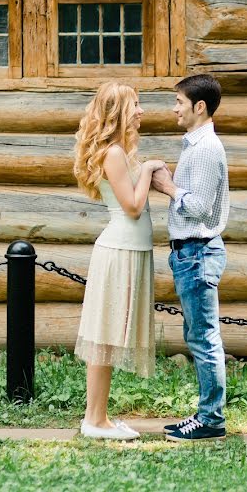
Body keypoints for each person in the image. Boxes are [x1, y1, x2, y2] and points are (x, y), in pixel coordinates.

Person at [72, 81, 166, 441]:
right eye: (136, 105)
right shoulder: (113, 153)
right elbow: (132, 206)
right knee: (103, 337)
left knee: (109, 339)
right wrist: (147, 170)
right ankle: (93, 420)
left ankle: (101, 418)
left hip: (131, 251)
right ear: (119, 113)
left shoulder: (120, 153)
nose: (142, 111)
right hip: (119, 251)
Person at [151, 74, 230, 442]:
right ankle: (205, 414)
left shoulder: (204, 149)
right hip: (191, 254)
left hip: (197, 252)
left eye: (179, 102)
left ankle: (211, 420)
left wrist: (167, 186)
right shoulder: (195, 146)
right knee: (199, 335)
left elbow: (199, 207)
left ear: (199, 107)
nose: (174, 108)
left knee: (203, 338)